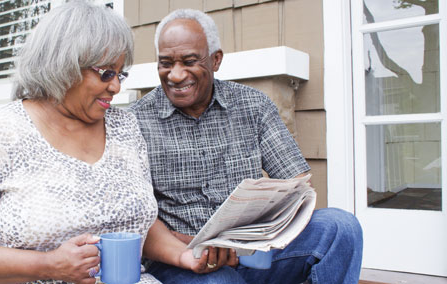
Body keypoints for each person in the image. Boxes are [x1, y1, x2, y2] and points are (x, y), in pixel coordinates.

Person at [0, 2, 162, 283]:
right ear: (64, 65)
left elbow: (138, 222)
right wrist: (48, 264)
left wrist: (189, 254)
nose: (116, 87)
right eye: (106, 73)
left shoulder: (125, 127)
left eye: (120, 74)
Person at [130, 9, 364, 284]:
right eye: (165, 63)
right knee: (221, 282)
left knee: (341, 227)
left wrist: (267, 234)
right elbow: (134, 214)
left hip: (256, 254)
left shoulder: (254, 105)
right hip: (181, 261)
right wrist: (188, 246)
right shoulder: (136, 122)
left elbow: (298, 184)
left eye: (189, 61)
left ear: (216, 60)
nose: (176, 75)